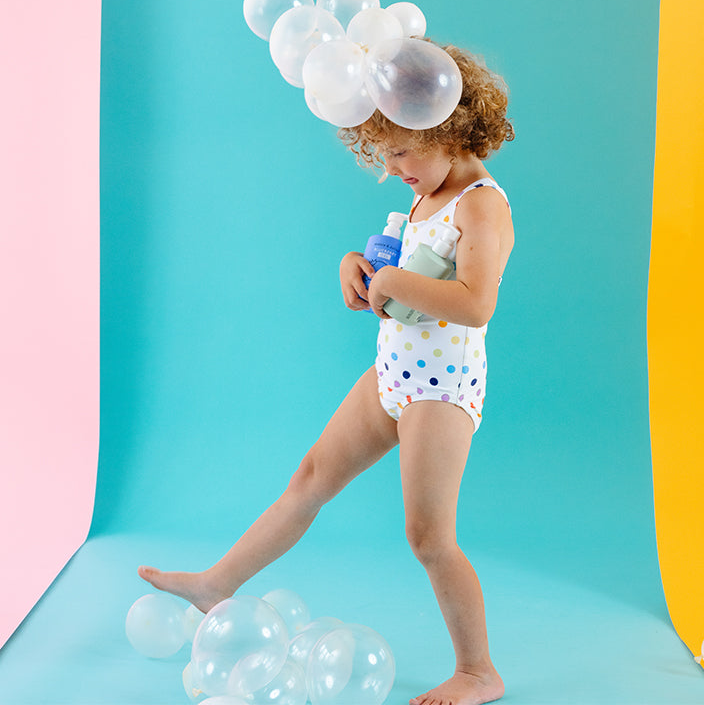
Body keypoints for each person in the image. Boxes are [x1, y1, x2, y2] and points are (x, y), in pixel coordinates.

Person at [139, 42, 515, 705]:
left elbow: (475, 304)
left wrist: (397, 282)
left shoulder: (481, 204)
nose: (392, 169)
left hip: (441, 387)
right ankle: (216, 583)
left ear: (448, 126)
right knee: (310, 478)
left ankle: (478, 670)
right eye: (385, 153)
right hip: (392, 372)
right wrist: (358, 266)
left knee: (430, 537)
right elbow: (398, 272)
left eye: (403, 151)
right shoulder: (428, 195)